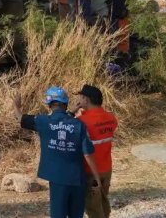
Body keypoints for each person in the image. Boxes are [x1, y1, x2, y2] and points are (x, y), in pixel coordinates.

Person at [13, 86, 101, 218]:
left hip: (57, 179)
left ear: (49, 104)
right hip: (77, 178)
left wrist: (16, 106)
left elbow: (20, 118)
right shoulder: (79, 125)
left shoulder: (42, 121)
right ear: (65, 104)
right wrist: (96, 177)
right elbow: (87, 153)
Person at [72, 85, 118, 218]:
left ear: (86, 100)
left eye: (81, 97)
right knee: (103, 201)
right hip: (106, 168)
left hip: (90, 171)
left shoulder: (82, 122)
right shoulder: (111, 118)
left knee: (93, 208)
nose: (79, 99)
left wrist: (73, 112)